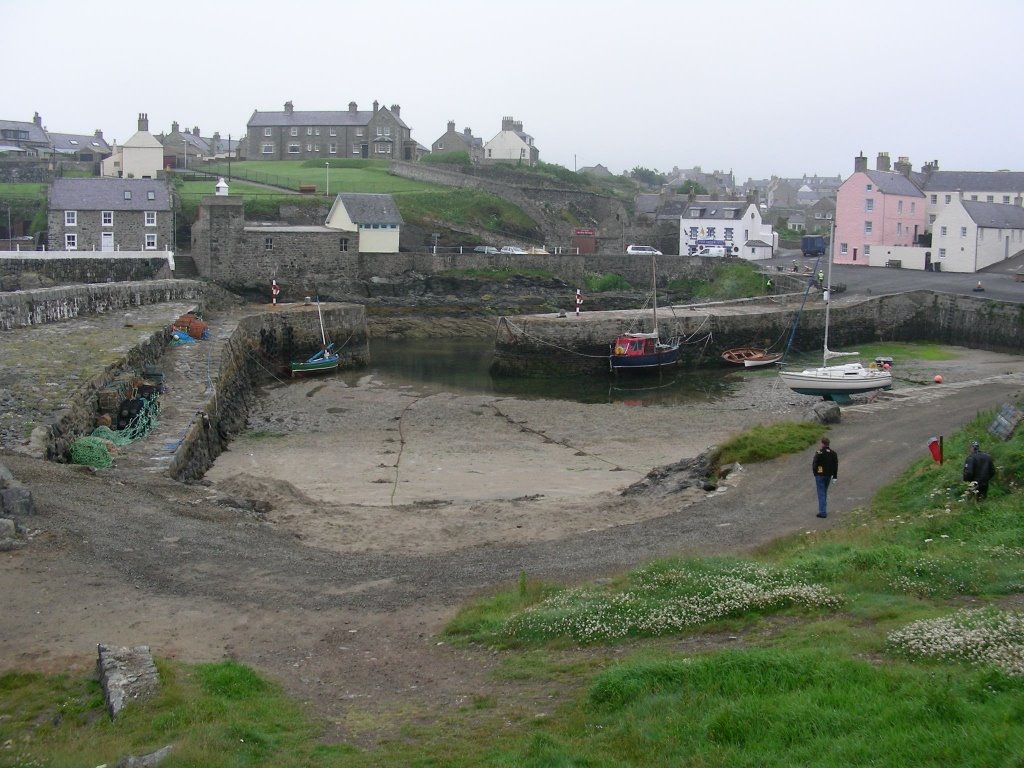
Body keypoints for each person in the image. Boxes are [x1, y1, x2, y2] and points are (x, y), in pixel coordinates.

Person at [812, 436, 838, 518]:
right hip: (828, 475)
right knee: (824, 492)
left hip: (820, 475)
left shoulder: (819, 453)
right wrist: (835, 476)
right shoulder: (833, 453)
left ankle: (823, 512)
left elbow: (815, 464)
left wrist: (815, 473)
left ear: (822, 443)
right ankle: (823, 509)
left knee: (821, 493)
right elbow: (835, 466)